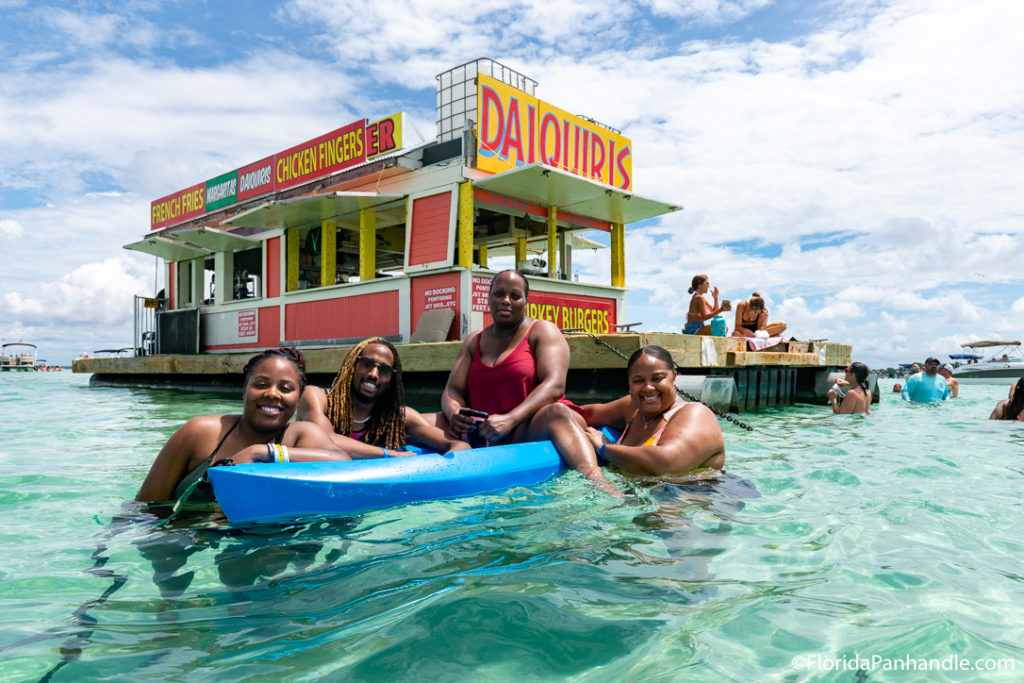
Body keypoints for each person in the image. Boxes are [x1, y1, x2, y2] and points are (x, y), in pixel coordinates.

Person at [439, 269, 612, 489]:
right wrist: (453, 413)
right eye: (499, 294)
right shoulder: (474, 341)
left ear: (526, 301)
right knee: (409, 416)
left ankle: (598, 480)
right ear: (489, 297)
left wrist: (510, 419)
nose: (506, 301)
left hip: (531, 424)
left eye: (515, 296)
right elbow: (452, 391)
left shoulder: (542, 331)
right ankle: (392, 456)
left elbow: (554, 385)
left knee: (555, 412)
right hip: (486, 427)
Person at [137, 348, 350, 503]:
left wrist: (261, 452)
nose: (273, 394)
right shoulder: (200, 432)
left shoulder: (300, 436)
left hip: (258, 543)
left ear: (297, 399)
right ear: (244, 390)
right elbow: (145, 506)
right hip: (182, 534)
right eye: (261, 385)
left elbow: (342, 462)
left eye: (285, 388)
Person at [298, 337, 469, 456]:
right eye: (367, 364)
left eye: (384, 370)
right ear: (352, 366)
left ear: (391, 381)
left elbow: (459, 445)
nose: (374, 374)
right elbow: (325, 441)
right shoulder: (316, 398)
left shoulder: (397, 417)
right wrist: (387, 454)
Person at [581, 346, 725, 474]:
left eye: (657, 379)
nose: (648, 388)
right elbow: (581, 413)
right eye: (638, 381)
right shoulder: (633, 408)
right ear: (629, 383)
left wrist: (605, 449)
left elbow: (664, 463)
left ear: (674, 378)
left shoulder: (697, 415)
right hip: (638, 498)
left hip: (687, 498)